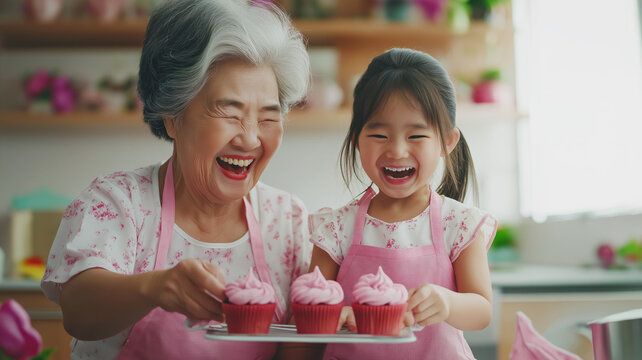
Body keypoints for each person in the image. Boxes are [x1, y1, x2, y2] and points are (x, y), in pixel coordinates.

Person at [40, 0, 311, 359]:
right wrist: (157, 287)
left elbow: (299, 342)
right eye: (228, 113)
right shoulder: (117, 203)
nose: (249, 139)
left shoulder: (286, 219)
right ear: (172, 116)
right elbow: (78, 312)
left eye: (267, 117)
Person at [308, 48, 498, 359]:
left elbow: (482, 309)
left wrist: (447, 302)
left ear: (447, 141)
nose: (396, 150)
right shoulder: (335, 228)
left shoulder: (459, 224)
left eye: (416, 135)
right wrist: (333, 316)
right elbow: (308, 307)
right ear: (356, 138)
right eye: (379, 134)